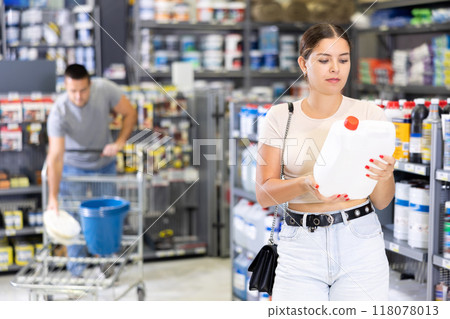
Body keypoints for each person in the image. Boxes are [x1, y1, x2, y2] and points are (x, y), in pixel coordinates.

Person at [256, 23, 395, 301]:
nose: (336, 68)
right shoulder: (281, 117)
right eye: (324, 60)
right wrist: (306, 184)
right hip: (301, 246)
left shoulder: (371, 114)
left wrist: (384, 175)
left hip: (360, 240)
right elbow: (264, 193)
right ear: (303, 64)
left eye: (343, 60)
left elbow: (382, 202)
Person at [46, 64, 137, 276]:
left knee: (105, 217)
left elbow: (130, 114)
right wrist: (52, 197)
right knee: (74, 220)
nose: (78, 96)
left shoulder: (105, 89)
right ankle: (76, 272)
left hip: (103, 164)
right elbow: (56, 156)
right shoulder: (58, 111)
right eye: (72, 91)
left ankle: (106, 265)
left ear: (91, 84)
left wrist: (120, 142)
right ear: (65, 88)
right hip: (72, 168)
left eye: (83, 90)